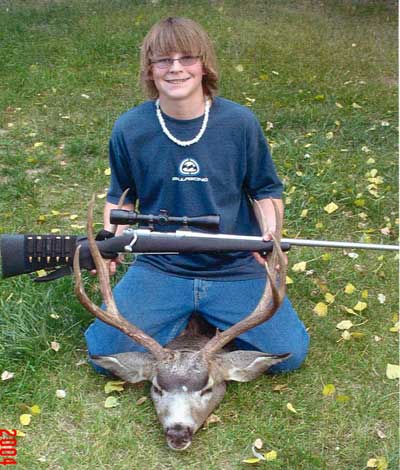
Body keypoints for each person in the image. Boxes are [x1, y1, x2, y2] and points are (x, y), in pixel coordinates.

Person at [85, 16, 309, 373]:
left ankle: (189, 325)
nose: (175, 69)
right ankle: (196, 322)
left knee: (288, 353)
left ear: (204, 65)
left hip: (234, 263)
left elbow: (265, 189)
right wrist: (107, 243)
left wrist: (271, 236)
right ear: (150, 69)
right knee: (103, 354)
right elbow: (122, 198)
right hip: (161, 264)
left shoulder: (240, 123)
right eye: (163, 60)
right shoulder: (130, 128)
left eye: (186, 58)